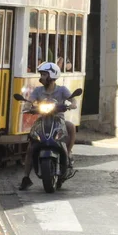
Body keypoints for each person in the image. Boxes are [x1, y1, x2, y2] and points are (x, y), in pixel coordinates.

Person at [19, 62, 77, 191]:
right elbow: (30, 101)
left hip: (58, 120)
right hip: (42, 120)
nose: (42, 77)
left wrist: (72, 104)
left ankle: (68, 152)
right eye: (41, 74)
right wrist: (28, 107)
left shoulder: (62, 90)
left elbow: (73, 100)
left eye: (44, 74)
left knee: (71, 126)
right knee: (31, 147)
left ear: (52, 75)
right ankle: (26, 177)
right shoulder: (38, 90)